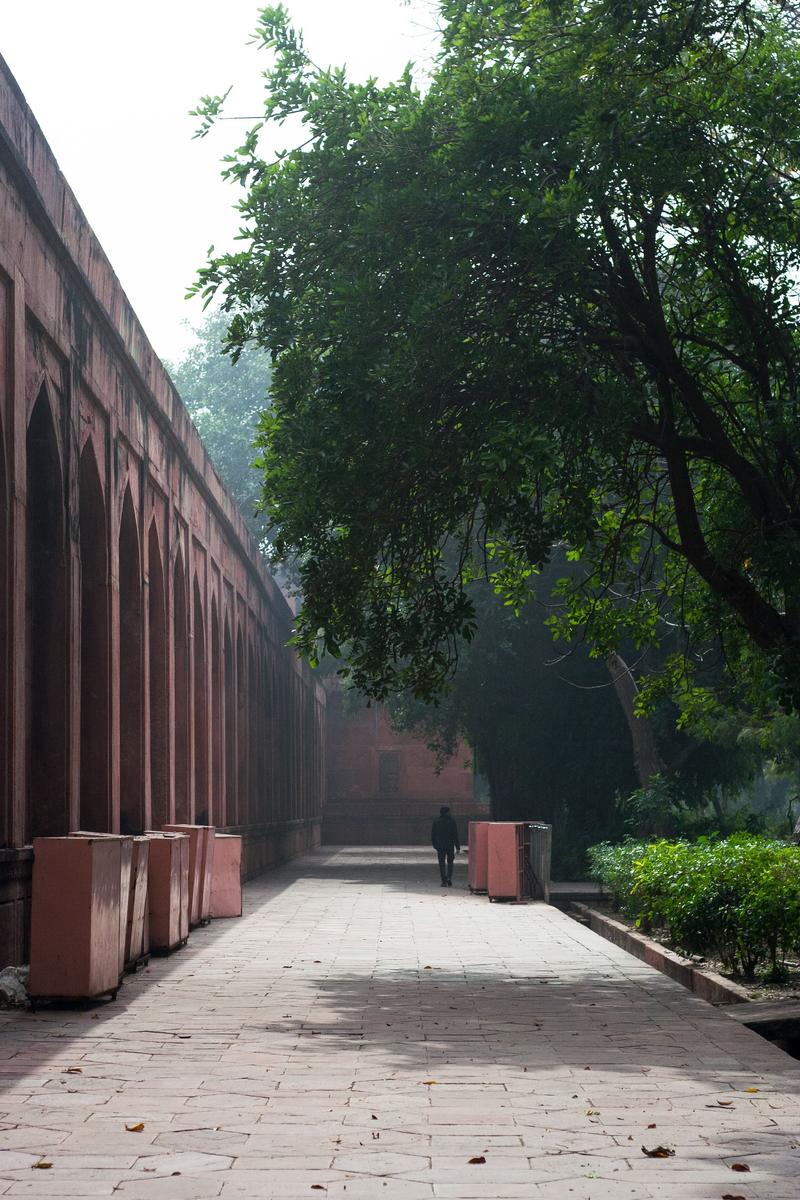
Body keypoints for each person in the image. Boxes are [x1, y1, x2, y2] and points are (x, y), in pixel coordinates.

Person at [431, 806, 460, 887]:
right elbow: (455, 835)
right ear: (447, 812)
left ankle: (443, 880)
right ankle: (449, 878)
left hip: (440, 846)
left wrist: (434, 845)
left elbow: (433, 835)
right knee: (450, 862)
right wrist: (457, 847)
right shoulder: (452, 821)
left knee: (441, 863)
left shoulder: (436, 821)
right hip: (450, 845)